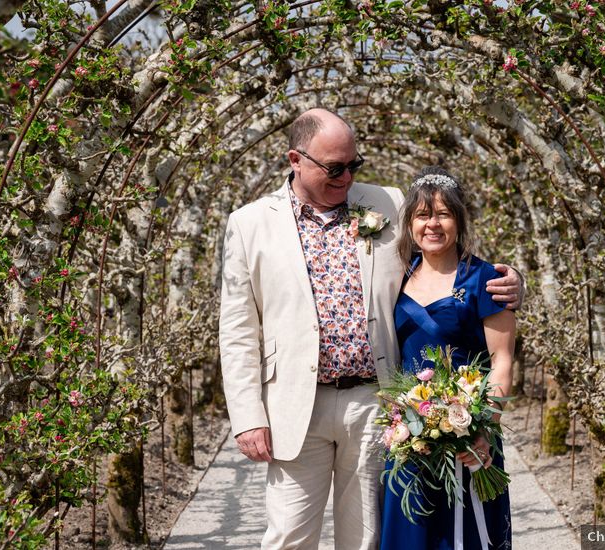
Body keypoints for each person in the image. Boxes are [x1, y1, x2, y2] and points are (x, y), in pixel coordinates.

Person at [219, 108, 521, 549]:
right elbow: (238, 330)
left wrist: (511, 282)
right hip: (294, 406)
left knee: (364, 536)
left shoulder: (387, 202)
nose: (346, 178)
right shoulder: (250, 225)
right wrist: (248, 417)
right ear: (295, 159)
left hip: (376, 400)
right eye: (334, 168)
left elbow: (442, 251)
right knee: (288, 535)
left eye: (353, 165)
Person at [380, 167, 515, 550]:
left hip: (471, 436)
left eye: (443, 214)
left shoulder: (485, 280)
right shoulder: (396, 277)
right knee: (410, 534)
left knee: (468, 534)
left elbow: (501, 359)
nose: (432, 224)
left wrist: (483, 429)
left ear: (459, 219)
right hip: (408, 437)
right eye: (423, 215)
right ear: (410, 223)